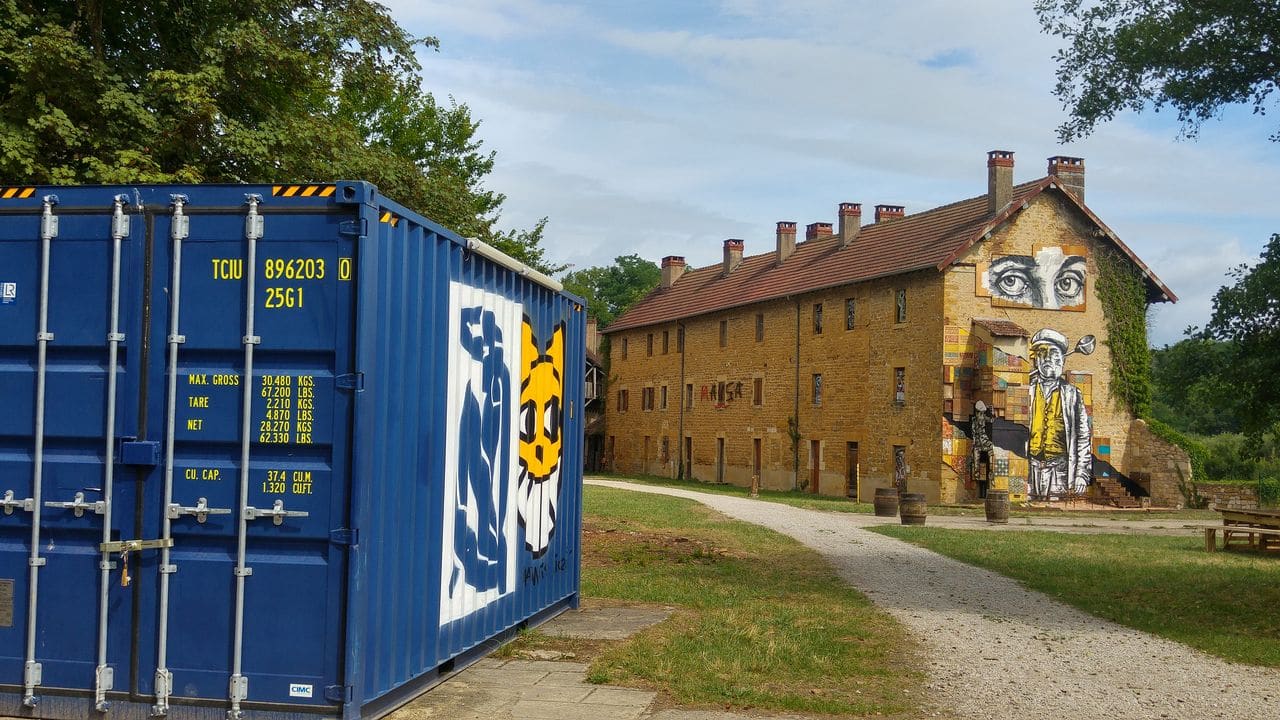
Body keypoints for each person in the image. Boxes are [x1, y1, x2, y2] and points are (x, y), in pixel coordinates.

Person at [1027, 328, 1091, 499]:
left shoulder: (1073, 395)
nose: (1047, 358)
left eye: (1053, 353)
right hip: (1030, 470)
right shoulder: (1026, 391)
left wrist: (1081, 474)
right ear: (1036, 360)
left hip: (1060, 470)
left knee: (1056, 506)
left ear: (1062, 360)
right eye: (1042, 353)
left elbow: (1083, 437)